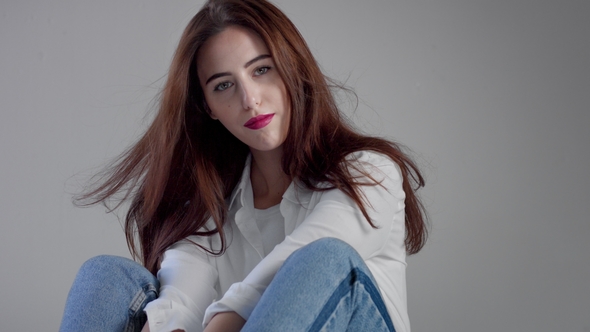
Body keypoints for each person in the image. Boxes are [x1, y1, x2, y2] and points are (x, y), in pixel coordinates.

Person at [60, 0, 428, 331]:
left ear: (292, 70)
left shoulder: (368, 173)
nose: (250, 100)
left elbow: (305, 260)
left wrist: (221, 324)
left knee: (322, 259)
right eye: (223, 86)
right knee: (105, 276)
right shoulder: (210, 207)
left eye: (262, 70)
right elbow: (182, 301)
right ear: (208, 108)